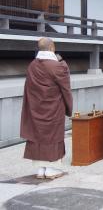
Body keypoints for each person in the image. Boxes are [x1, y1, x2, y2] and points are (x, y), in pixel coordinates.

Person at [20, 38, 73, 179]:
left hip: (36, 109)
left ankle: (41, 169)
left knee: (38, 135)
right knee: (52, 136)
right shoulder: (56, 66)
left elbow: (28, 89)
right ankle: (51, 169)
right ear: (52, 48)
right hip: (53, 108)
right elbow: (66, 88)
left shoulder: (32, 65)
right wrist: (69, 108)